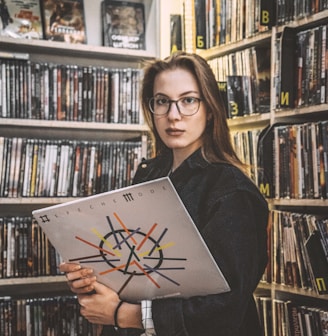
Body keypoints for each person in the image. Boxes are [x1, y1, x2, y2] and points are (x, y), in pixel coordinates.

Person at [59, 51, 269, 336]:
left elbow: (226, 308)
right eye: (162, 101)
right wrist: (93, 279)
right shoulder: (148, 175)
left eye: (188, 101)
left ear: (210, 109)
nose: (173, 115)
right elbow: (135, 268)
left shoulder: (232, 191)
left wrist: (123, 314)